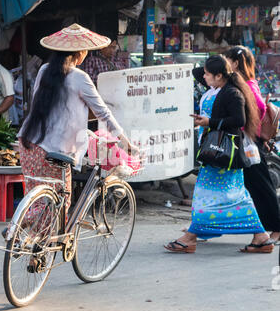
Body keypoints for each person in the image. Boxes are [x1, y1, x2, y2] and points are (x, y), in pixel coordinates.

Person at [18, 23, 137, 215]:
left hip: (28, 144)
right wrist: (126, 143)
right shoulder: (79, 77)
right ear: (80, 53)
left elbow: (55, 105)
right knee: (60, 204)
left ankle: (21, 231)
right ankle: (41, 237)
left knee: (36, 199)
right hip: (54, 150)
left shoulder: (44, 70)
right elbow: (103, 113)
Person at [164, 54, 274, 254]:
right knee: (229, 197)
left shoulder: (232, 93)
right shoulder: (220, 89)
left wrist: (209, 122)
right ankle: (261, 237)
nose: (203, 77)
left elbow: (238, 121)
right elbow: (198, 74)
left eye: (208, 74)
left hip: (223, 155)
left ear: (219, 75)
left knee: (207, 197)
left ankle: (190, 238)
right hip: (215, 154)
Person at [225, 45, 280, 243]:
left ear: (236, 62)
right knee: (248, 186)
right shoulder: (243, 83)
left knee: (261, 185)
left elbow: (258, 107)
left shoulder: (247, 84)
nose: (225, 62)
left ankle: (277, 227)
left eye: (227, 59)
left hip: (249, 142)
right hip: (244, 140)